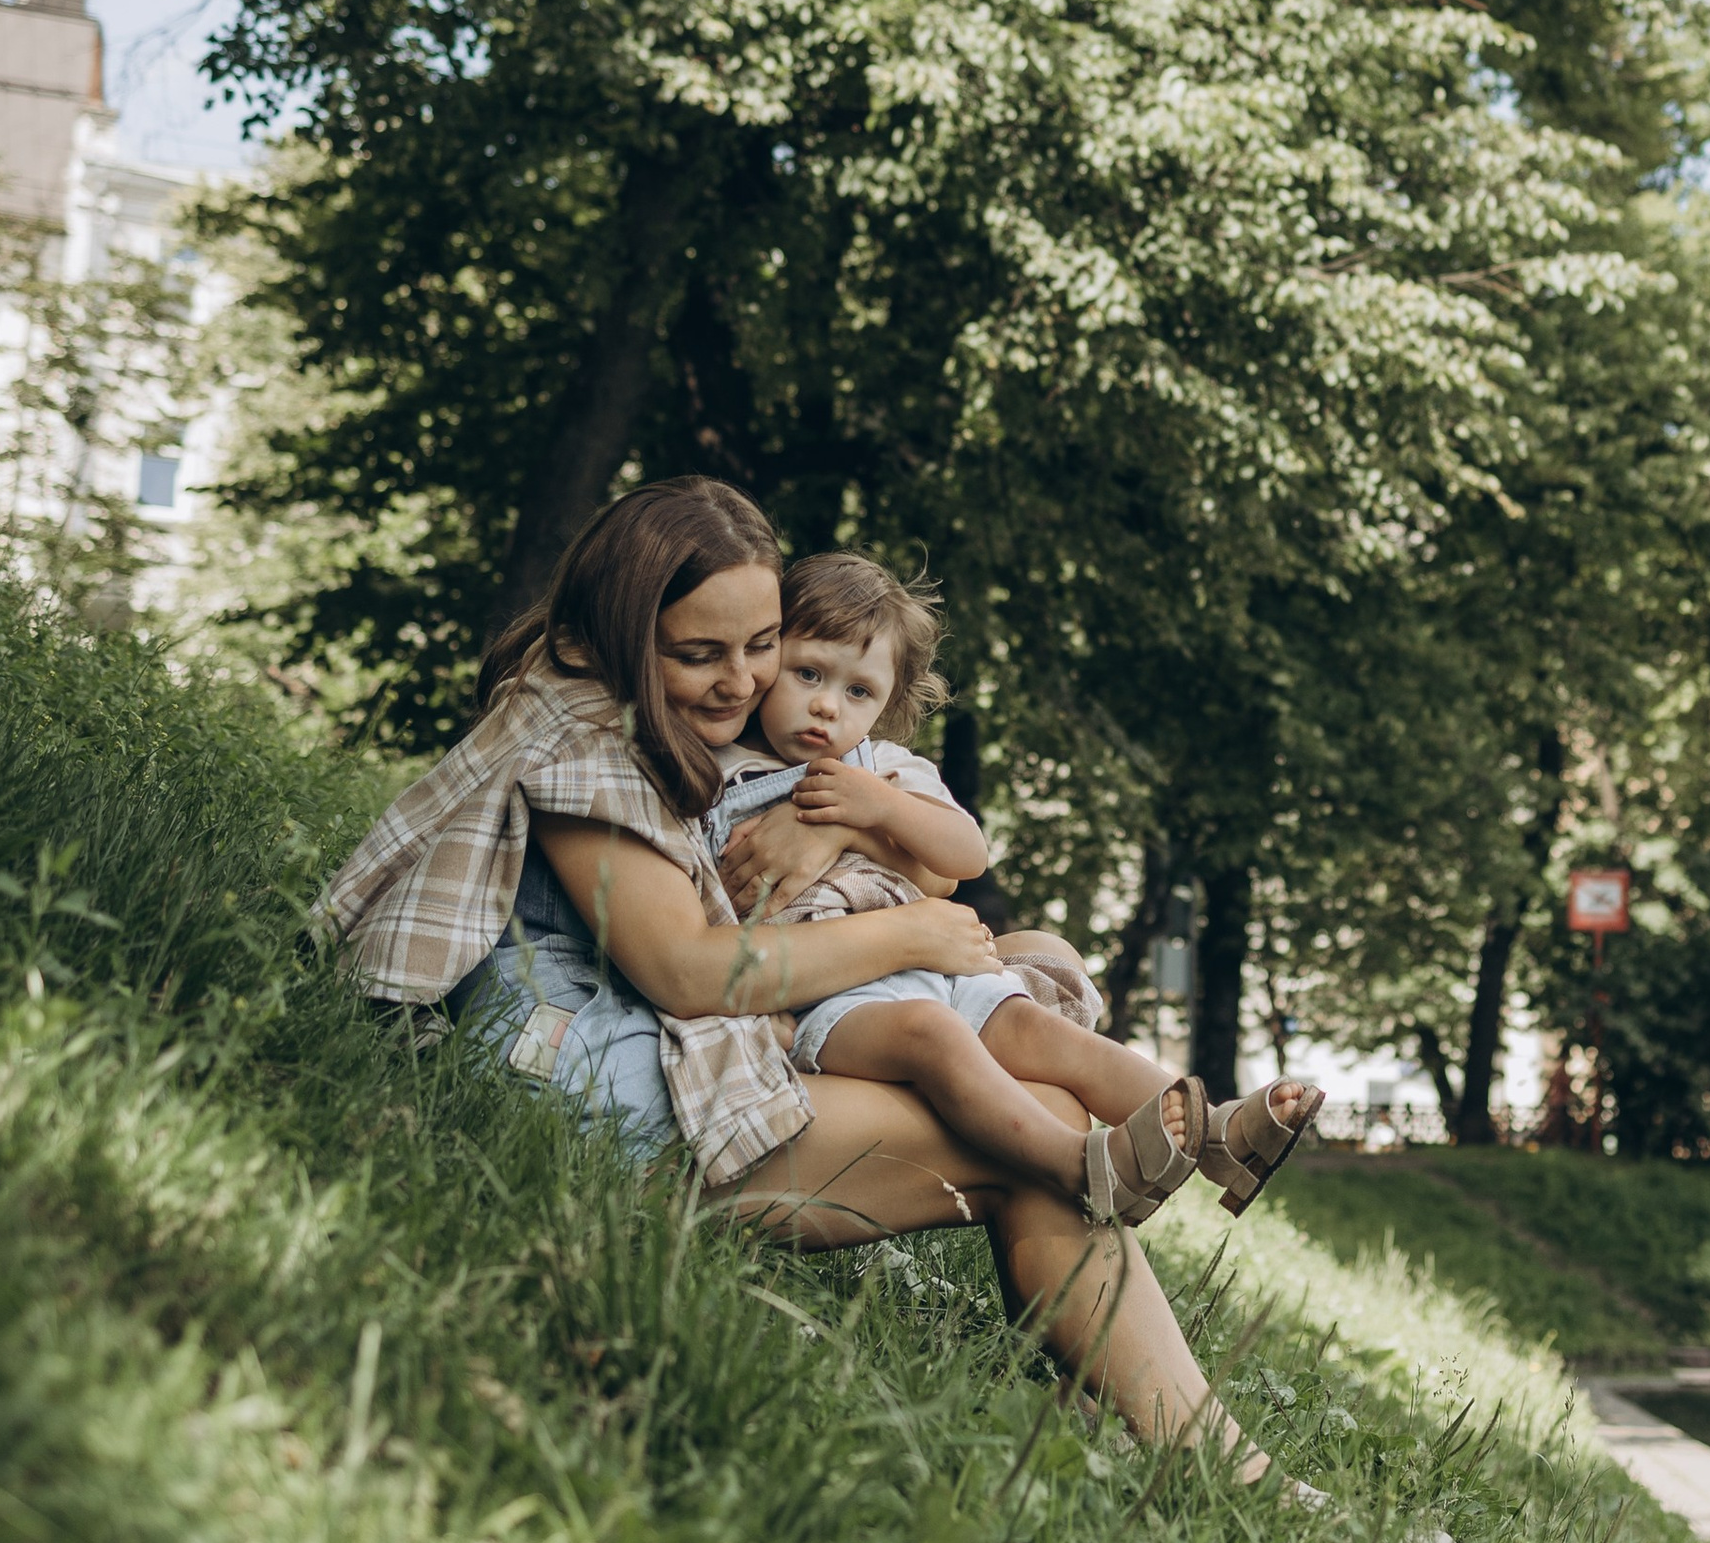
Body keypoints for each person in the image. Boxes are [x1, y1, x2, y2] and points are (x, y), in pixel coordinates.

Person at [312, 477, 1285, 1465]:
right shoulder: (585, 744)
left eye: (760, 645)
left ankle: (1132, 1399)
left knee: (1038, 982)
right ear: (625, 629)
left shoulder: (678, 719)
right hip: (568, 1076)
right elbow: (691, 970)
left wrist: (826, 833)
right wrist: (912, 938)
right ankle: (1210, 1457)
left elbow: (931, 855)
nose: (739, 683)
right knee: (1046, 1137)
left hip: (634, 1033)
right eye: (700, 653)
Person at [704, 544, 1324, 1221]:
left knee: (1041, 1032)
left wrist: (877, 809)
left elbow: (965, 851)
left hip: (932, 968)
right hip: (829, 1000)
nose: (827, 707)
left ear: (884, 705)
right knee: (932, 1036)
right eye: (808, 673)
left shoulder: (881, 765)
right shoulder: (717, 771)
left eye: (858, 692)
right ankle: (1078, 1162)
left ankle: (1219, 1134)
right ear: (766, 661)